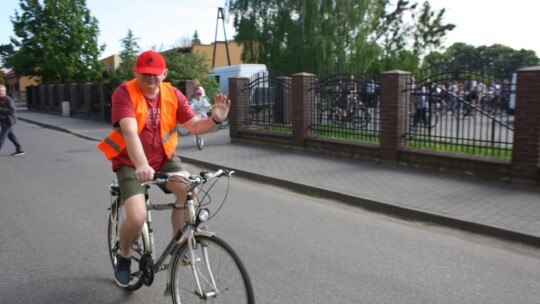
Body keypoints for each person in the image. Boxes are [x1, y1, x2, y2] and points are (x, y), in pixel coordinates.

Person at [97, 50, 230, 287]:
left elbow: (196, 126)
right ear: (136, 72)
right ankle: (125, 256)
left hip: (164, 158)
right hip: (130, 162)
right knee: (137, 217)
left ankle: (179, 247)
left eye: (155, 74)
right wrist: (141, 165)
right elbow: (129, 132)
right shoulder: (125, 92)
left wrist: (215, 120)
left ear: (164, 73)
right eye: (145, 73)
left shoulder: (173, 94)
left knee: (189, 189)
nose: (150, 78)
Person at [0, 85, 25, 156]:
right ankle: (19, 149)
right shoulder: (1, 99)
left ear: (4, 91)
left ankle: (19, 149)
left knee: (1, 138)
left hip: (8, 121)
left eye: (1, 91)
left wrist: (1, 109)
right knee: (11, 136)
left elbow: (12, 110)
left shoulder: (7, 99)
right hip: (3, 120)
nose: (0, 92)